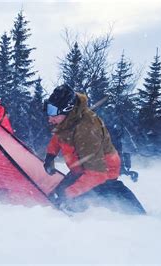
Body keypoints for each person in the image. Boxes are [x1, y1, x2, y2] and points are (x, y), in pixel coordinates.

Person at [43, 84, 146, 215]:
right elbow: (59, 136)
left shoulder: (86, 129)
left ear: (68, 108)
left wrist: (69, 194)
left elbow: (97, 174)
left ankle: (136, 214)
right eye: (48, 109)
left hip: (103, 173)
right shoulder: (67, 120)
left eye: (53, 112)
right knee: (58, 196)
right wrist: (50, 155)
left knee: (75, 201)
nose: (49, 118)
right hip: (81, 169)